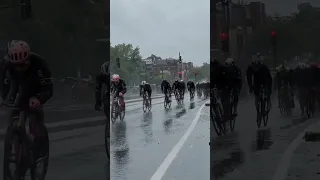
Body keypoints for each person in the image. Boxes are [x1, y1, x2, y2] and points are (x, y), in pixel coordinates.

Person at [1, 40, 53, 160]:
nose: (19, 68)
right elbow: (3, 85)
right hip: (19, 89)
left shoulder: (39, 63)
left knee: (35, 116)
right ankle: (16, 141)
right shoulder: (5, 65)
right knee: (13, 114)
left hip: (36, 88)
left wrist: (39, 99)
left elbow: (48, 88)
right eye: (16, 65)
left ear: (29, 60)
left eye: (23, 65)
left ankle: (39, 144)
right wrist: (3, 99)